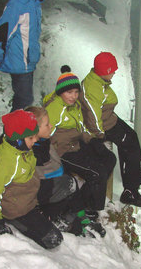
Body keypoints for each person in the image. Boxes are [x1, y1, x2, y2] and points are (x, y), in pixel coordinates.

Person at [0, 110, 98, 248]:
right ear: (18, 140)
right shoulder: (6, 162)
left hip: (30, 193)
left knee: (69, 183)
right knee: (53, 239)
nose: (36, 140)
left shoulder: (23, 149)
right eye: (31, 138)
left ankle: (51, 216)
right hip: (18, 209)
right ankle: (16, 221)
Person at [80, 52, 141, 207]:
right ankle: (131, 192)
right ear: (105, 71)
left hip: (109, 119)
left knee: (131, 137)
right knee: (129, 147)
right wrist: (100, 136)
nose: (114, 72)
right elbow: (92, 115)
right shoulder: (93, 87)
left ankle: (135, 172)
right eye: (112, 70)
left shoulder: (98, 81)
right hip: (104, 126)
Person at [43, 66, 116, 212]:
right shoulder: (55, 109)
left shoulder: (75, 106)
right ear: (61, 92)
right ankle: (92, 208)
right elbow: (45, 135)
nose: (73, 96)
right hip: (63, 151)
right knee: (97, 172)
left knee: (109, 158)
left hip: (76, 143)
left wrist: (91, 140)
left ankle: (88, 196)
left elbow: (81, 128)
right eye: (69, 92)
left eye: (76, 92)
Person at [26, 105, 105, 237]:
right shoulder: (32, 150)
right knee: (68, 184)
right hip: (37, 196)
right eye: (46, 125)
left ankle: (80, 217)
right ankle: (63, 222)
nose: (51, 126)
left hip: (48, 188)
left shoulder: (44, 142)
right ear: (34, 129)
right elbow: (38, 177)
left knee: (70, 183)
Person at [0, 0, 45, 111]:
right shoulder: (18, 3)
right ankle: (14, 132)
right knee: (25, 100)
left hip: (27, 60)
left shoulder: (33, 2)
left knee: (24, 99)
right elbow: (4, 30)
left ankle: (17, 131)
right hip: (19, 60)